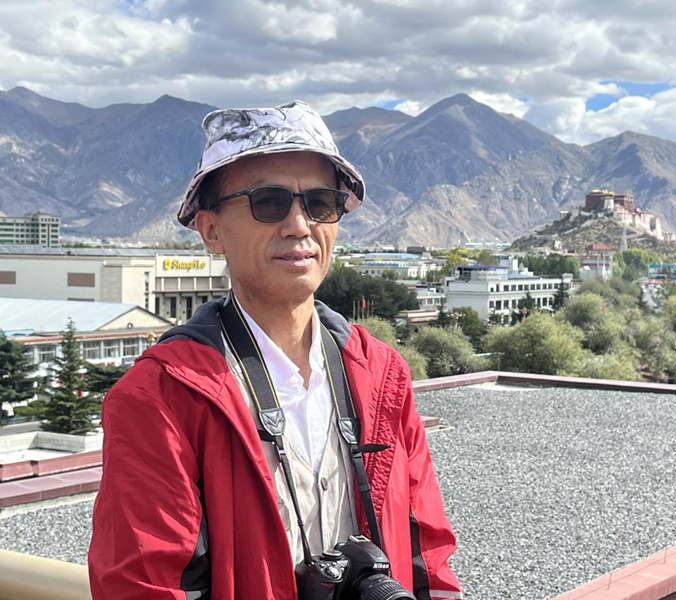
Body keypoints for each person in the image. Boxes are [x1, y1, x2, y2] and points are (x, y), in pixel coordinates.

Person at [88, 101, 462, 600]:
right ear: (211, 230)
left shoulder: (381, 373)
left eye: (321, 202)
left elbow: (428, 555)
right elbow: (144, 586)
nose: (299, 225)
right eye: (269, 202)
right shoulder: (162, 398)